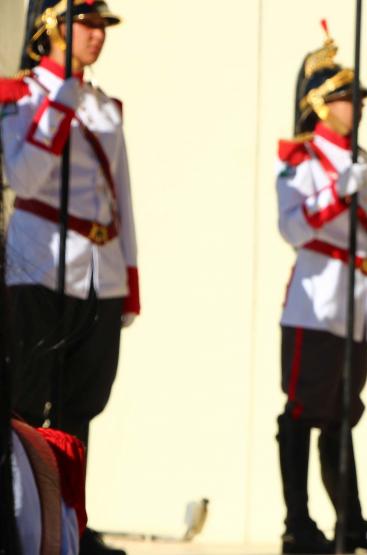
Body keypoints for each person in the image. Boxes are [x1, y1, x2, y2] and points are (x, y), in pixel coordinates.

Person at [0, 2, 138, 554]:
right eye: (87, 24)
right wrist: (57, 103)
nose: (98, 35)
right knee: (29, 400)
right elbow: (21, 174)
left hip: (97, 273)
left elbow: (121, 197)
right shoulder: (23, 96)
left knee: (82, 402)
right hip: (38, 264)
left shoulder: (104, 106)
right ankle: (26, 520)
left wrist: (129, 278)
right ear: (53, 28)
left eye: (101, 26)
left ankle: (71, 518)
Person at [273, 24, 367, 554]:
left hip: (355, 299)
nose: (358, 107)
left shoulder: (364, 162)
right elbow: (294, 227)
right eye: (348, 99)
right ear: (322, 105)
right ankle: (297, 526)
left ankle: (348, 525)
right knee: (303, 413)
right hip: (316, 302)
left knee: (342, 415)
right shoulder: (301, 159)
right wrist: (337, 190)